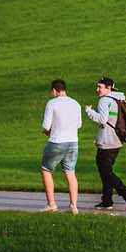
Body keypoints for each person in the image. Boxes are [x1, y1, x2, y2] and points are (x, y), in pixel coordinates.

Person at [86, 76, 126, 210]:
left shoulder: (104, 100)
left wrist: (90, 112)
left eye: (100, 87)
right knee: (106, 171)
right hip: (117, 141)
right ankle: (107, 201)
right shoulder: (120, 99)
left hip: (106, 141)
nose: (97, 90)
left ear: (108, 88)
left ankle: (125, 192)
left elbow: (102, 120)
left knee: (105, 171)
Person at [39, 78, 81, 213]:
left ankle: (51, 204)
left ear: (54, 90)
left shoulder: (52, 103)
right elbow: (79, 124)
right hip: (73, 142)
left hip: (57, 141)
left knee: (46, 170)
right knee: (70, 172)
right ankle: (73, 206)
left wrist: (47, 131)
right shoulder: (75, 103)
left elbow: (46, 125)